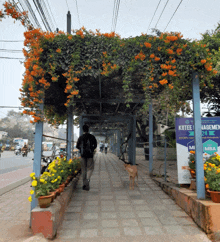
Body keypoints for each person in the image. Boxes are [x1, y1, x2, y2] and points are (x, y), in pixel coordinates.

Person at [76, 124, 97, 191]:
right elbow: (95, 145)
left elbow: (77, 146)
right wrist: (92, 149)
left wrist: (81, 149)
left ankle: (84, 184)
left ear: (83, 130)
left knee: (84, 169)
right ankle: (87, 180)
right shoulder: (92, 137)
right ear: (88, 129)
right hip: (90, 155)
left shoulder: (81, 137)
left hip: (83, 155)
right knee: (90, 168)